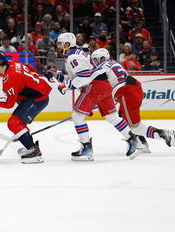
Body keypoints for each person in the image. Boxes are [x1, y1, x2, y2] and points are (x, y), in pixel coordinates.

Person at [54, 33, 141, 161]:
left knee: (77, 116)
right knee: (112, 117)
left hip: (93, 87)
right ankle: (133, 140)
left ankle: (86, 148)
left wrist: (66, 86)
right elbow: (78, 75)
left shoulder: (73, 57)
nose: (58, 46)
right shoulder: (78, 54)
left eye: (60, 44)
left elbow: (84, 77)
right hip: (104, 85)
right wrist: (57, 76)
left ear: (67, 44)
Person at [91, 48, 175, 152]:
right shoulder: (113, 63)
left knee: (134, 126)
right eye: (93, 60)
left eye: (96, 59)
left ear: (103, 58)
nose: (94, 62)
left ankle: (163, 134)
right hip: (133, 88)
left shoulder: (101, 68)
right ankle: (142, 144)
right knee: (124, 119)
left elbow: (98, 87)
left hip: (127, 93)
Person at [0, 51, 52, 164]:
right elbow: (31, 68)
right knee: (19, 121)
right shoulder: (13, 63)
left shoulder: (9, 78)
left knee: (14, 123)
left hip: (38, 99)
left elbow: (8, 104)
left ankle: (33, 150)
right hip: (37, 94)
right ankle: (28, 144)